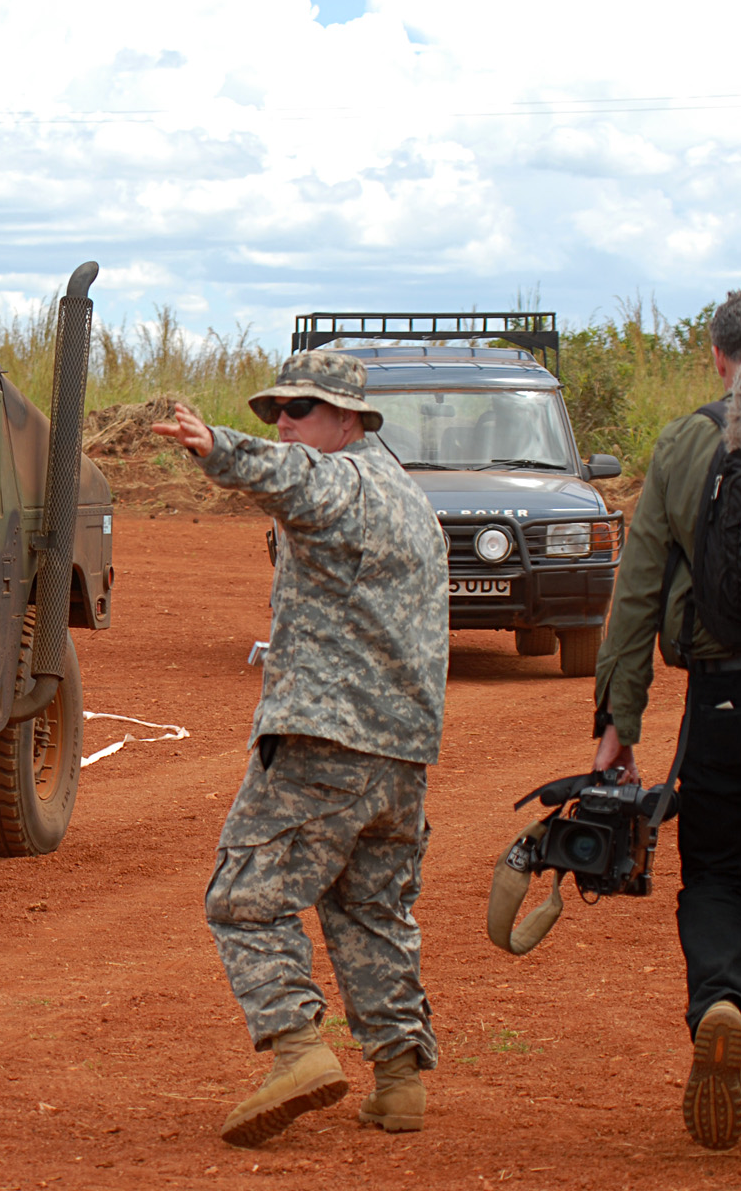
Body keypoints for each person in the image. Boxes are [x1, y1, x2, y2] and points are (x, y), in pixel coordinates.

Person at [152, 351, 448, 1148]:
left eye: (301, 408)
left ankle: (296, 1048)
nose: (282, 420)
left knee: (244, 898)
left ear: (350, 419)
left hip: (327, 739)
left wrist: (219, 446)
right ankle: (398, 1081)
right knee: (372, 908)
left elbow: (294, 479)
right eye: (275, 409)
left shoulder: (343, 482)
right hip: (402, 753)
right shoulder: (411, 498)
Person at [590, 286, 741, 1154]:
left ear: (718, 358)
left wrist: (619, 718)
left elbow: (637, 589)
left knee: (718, 876)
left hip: (722, 701)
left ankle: (722, 998)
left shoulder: (688, 442)